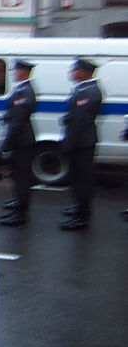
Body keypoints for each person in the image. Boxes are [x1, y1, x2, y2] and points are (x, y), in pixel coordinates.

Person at [59, 58, 103, 231]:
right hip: (81, 141)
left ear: (84, 72)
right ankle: (79, 207)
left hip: (81, 142)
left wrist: (68, 143)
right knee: (78, 179)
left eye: (75, 70)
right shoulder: (83, 89)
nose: (72, 73)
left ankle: (81, 218)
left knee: (82, 180)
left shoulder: (88, 91)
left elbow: (79, 121)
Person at [0, 59, 37, 227]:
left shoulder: (24, 91)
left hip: (21, 140)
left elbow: (18, 121)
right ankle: (18, 203)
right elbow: (14, 114)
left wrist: (6, 143)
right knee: (18, 176)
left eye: (16, 70)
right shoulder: (21, 89)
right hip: (21, 138)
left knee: (22, 178)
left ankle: (20, 214)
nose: (13, 73)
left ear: (23, 72)